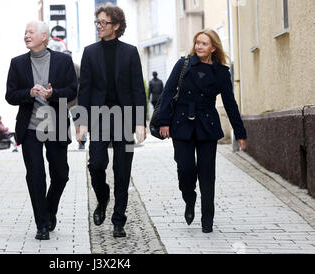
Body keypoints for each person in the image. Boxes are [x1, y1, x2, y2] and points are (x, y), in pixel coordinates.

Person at [156, 29, 247, 233]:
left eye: (204, 43)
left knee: (207, 173)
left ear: (213, 47)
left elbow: (230, 103)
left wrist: (240, 132)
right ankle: (190, 199)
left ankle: (208, 219)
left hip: (207, 125)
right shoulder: (183, 64)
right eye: (197, 42)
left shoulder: (221, 72)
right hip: (181, 123)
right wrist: (163, 122)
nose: (199, 46)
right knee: (185, 170)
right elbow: (168, 91)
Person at [77, 4, 147, 238]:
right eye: (97, 22)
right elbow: (84, 89)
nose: (99, 26)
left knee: (122, 171)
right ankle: (103, 197)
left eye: (103, 23)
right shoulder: (89, 52)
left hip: (125, 119)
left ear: (116, 26)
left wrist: (140, 122)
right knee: (96, 164)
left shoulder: (130, 52)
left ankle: (119, 220)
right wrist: (81, 122)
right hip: (98, 119)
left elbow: (138, 89)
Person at [5, 20, 77, 240]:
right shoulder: (17, 63)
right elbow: (10, 95)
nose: (26, 35)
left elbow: (72, 91)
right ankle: (42, 225)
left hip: (55, 125)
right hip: (30, 128)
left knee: (61, 175)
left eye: (31, 32)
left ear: (44, 36)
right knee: (36, 175)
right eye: (25, 32)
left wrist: (52, 94)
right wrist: (29, 92)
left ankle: (49, 209)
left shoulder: (63, 61)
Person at [63, 50, 86, 150]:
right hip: (62, 100)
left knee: (78, 122)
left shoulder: (76, 67)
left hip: (75, 101)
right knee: (62, 123)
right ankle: (63, 142)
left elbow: (83, 82)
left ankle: (82, 141)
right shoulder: (58, 68)